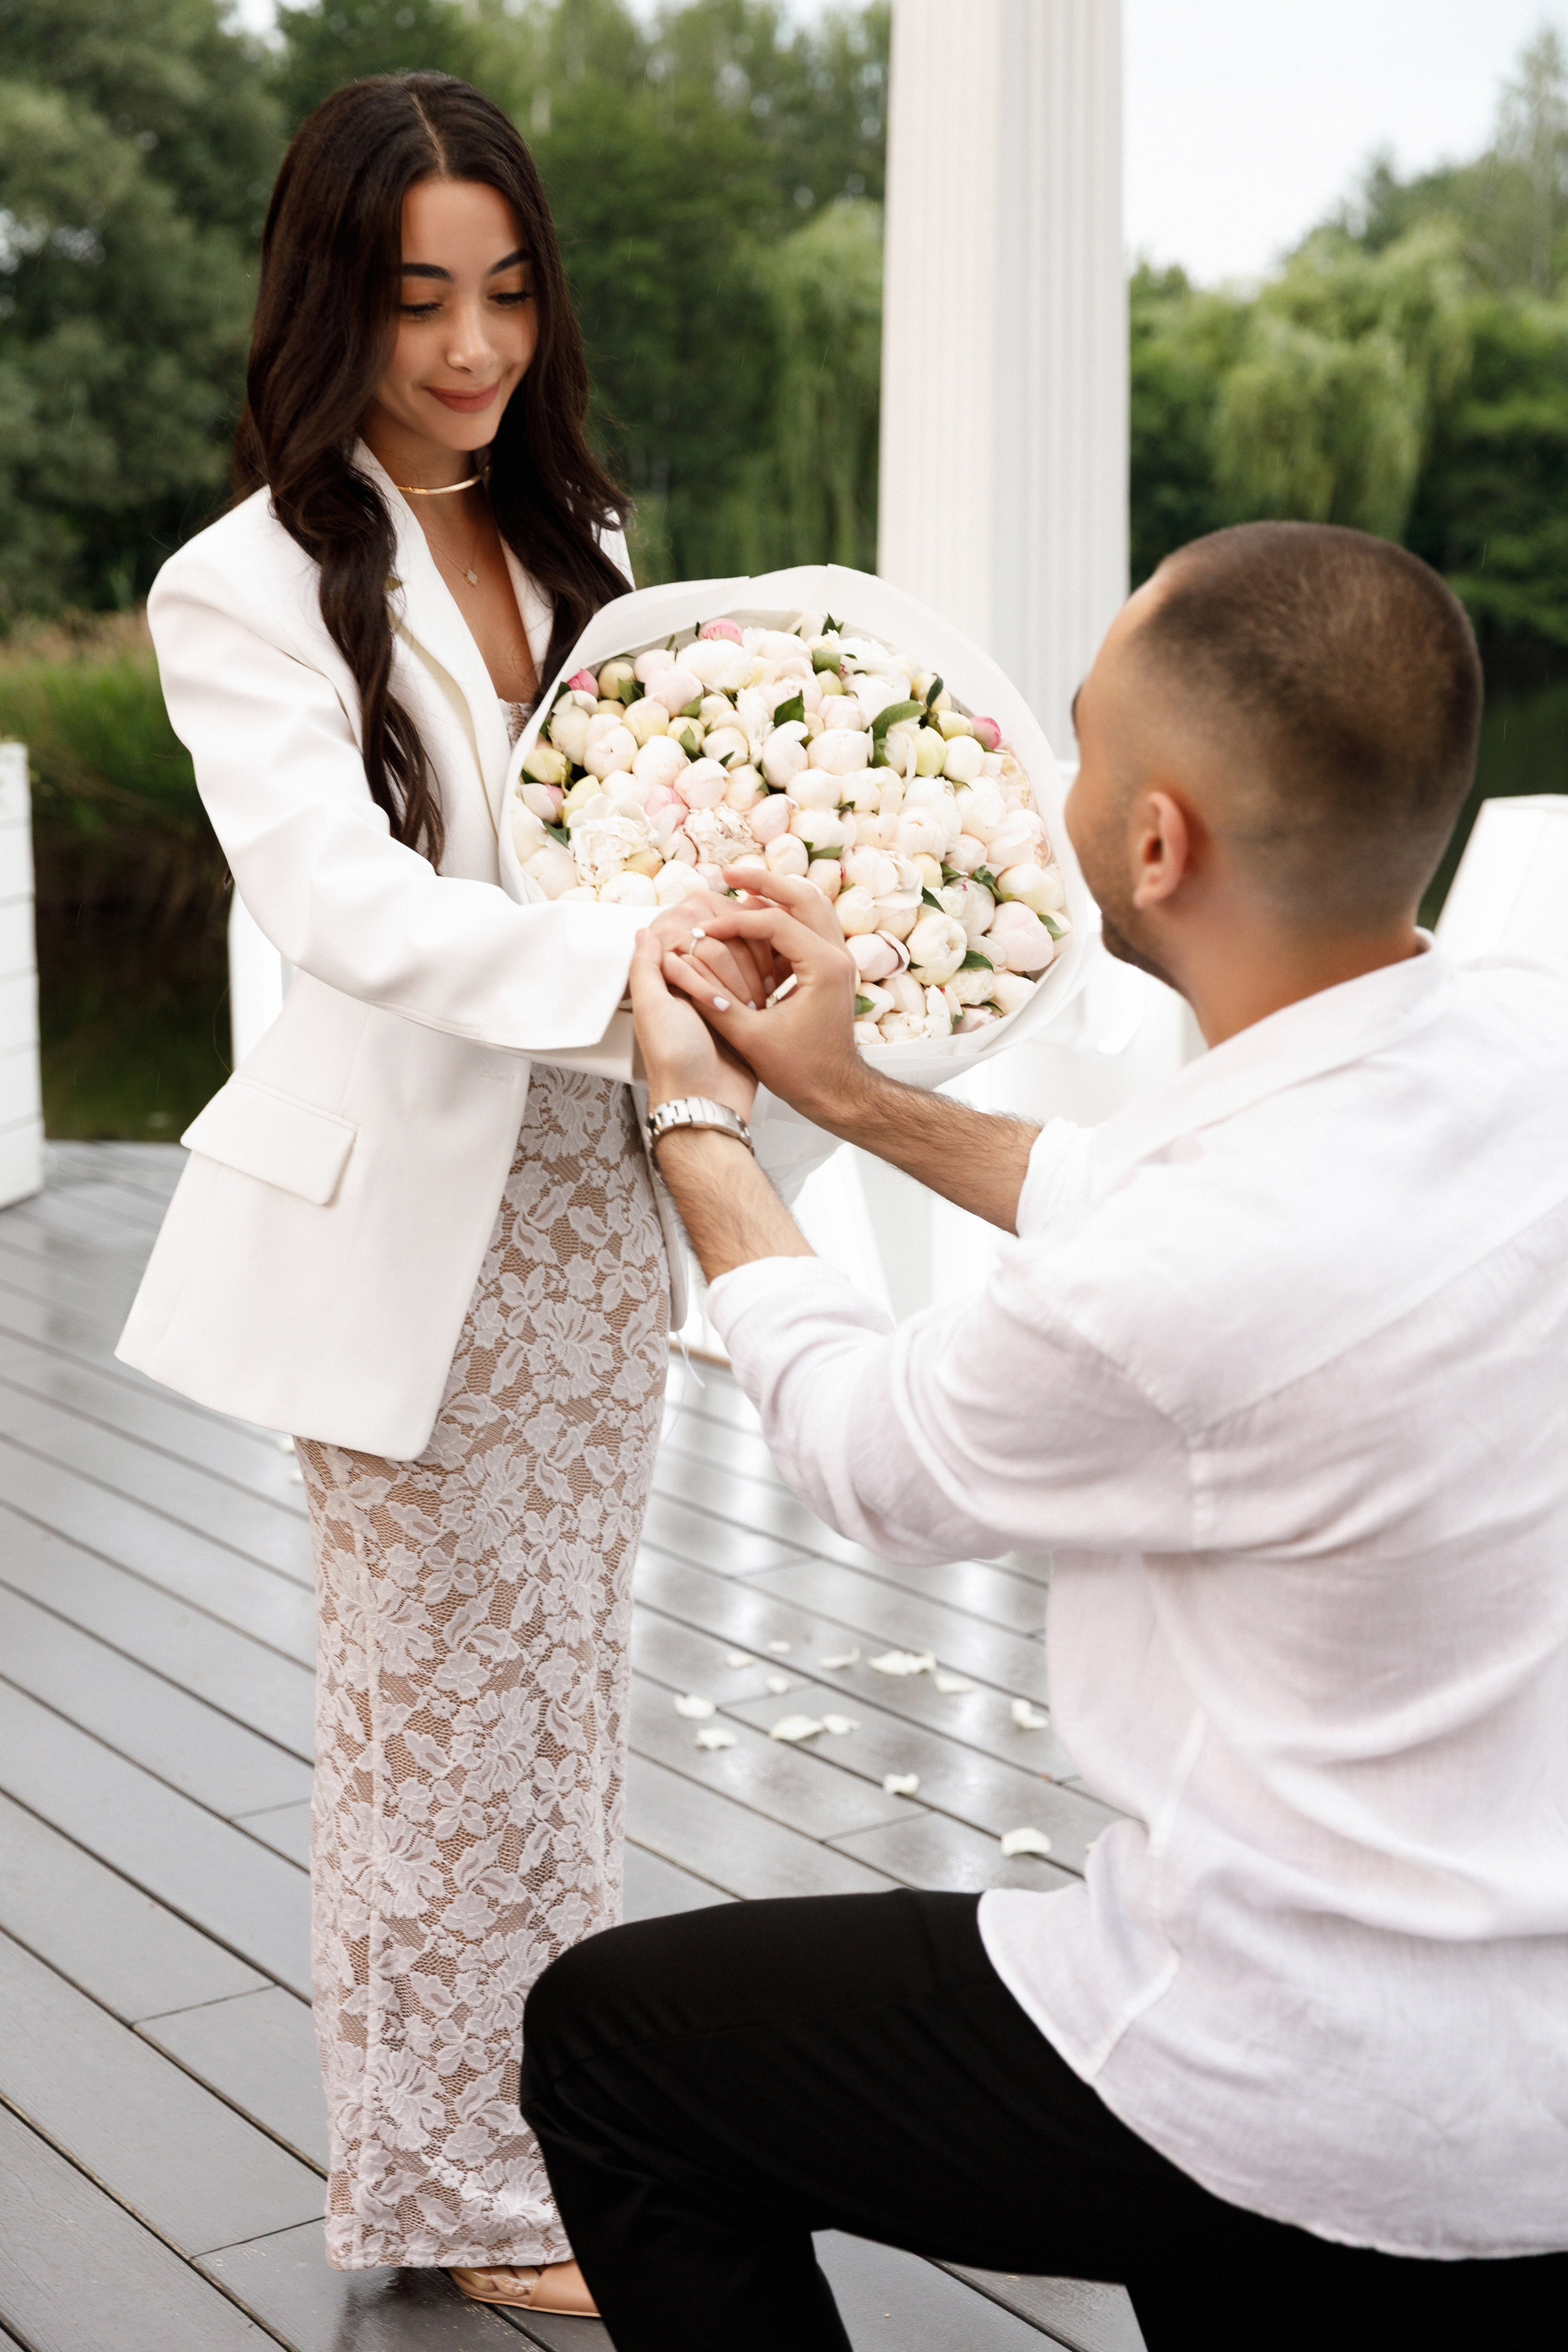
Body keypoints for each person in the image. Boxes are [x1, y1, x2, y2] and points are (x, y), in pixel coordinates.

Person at [519, 522, 1568, 2349]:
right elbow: (1134, 1197)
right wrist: (852, 1095)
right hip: (1532, 2030)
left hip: (1310, 2082)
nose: (1063, 778)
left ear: (1156, 844)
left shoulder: (1186, 1277)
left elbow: (870, 1445)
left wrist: (696, 1123)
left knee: (615, 2045)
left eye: (1084, 741)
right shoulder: (1517, 1052)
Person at [116, 72, 736, 2317]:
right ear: (327, 303)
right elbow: (342, 907)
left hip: (600, 1197)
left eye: (503, 291)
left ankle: (514, 2163)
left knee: (556, 1705)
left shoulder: (591, 538)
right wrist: (626, 962)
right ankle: (446, 2200)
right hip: (408, 1228)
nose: (468, 346)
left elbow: (644, 825)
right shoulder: (241, 583)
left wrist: (730, 939)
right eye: (413, 302)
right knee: (428, 1727)